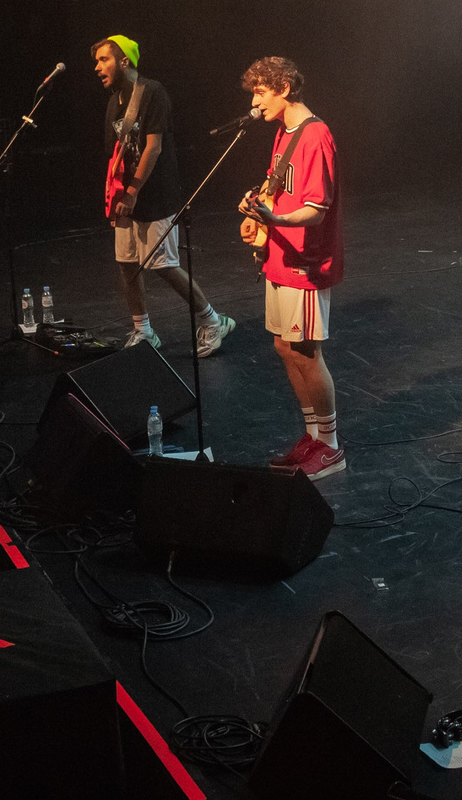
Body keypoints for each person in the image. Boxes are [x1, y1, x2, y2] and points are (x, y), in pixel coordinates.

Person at [237, 56, 344, 479]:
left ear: (282, 87)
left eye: (260, 92)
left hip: (306, 261)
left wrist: (275, 219)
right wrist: (256, 212)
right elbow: (275, 184)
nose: (255, 102)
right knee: (284, 346)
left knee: (306, 351)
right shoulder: (284, 131)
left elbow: (316, 210)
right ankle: (312, 435)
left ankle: (331, 446)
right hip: (280, 254)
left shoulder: (316, 135)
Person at [93, 36, 233, 356]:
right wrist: (116, 194)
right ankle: (143, 331)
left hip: (154, 195)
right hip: (125, 198)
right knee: (127, 263)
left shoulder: (152, 92)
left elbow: (153, 147)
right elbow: (115, 153)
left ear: (124, 61)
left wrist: (132, 191)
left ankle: (213, 321)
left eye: (104, 60)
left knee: (163, 265)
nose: (97, 67)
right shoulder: (114, 100)